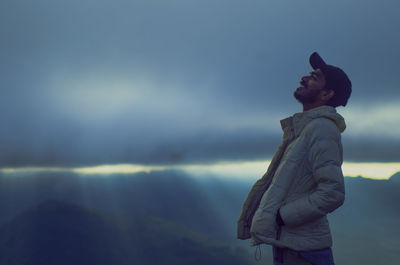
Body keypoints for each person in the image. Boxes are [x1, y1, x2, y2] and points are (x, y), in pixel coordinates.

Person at [237, 52, 352, 265]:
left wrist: (283, 217)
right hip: (290, 245)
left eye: (314, 77)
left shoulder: (322, 129)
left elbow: (333, 192)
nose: (303, 78)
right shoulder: (304, 129)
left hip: (303, 252)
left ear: (327, 94)